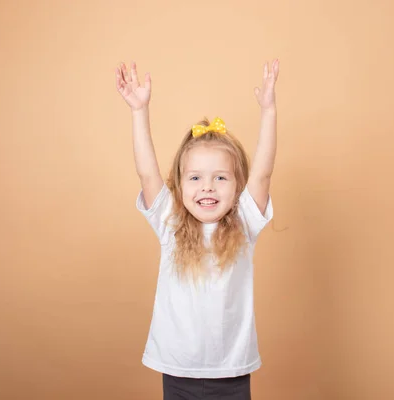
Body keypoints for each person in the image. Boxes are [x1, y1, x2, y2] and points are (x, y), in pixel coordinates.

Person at [115, 59, 279, 399]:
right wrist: (138, 111)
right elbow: (147, 174)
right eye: (195, 178)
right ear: (179, 184)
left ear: (238, 187)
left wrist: (269, 112)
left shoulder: (244, 223)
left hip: (232, 372)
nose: (207, 187)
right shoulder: (170, 222)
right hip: (178, 369)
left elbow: (263, 173)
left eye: (220, 178)